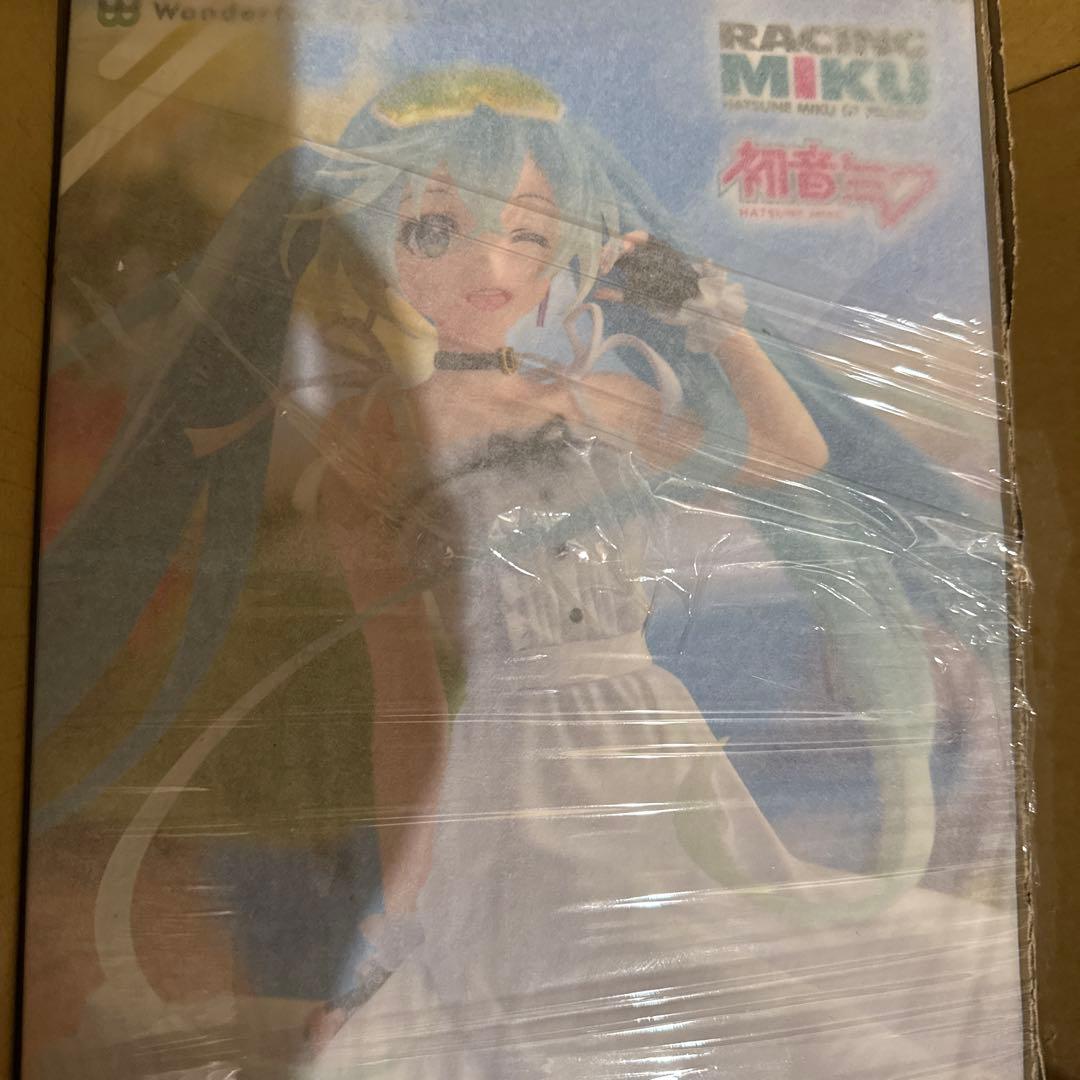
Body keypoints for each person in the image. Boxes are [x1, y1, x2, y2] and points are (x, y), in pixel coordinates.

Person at [27, 67, 1020, 1079]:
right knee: (626, 981)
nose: (491, 265)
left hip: (655, 749)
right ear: (381, 237)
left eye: (529, 234)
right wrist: (399, 915)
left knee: (767, 973)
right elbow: (405, 696)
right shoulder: (381, 437)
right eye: (435, 231)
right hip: (514, 774)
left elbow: (789, 453)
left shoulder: (596, 397)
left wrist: (716, 326)